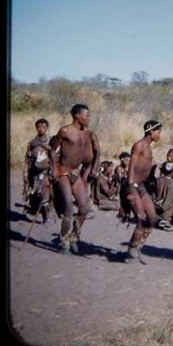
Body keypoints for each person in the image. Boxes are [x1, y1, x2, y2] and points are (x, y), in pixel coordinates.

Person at [49, 104, 100, 254]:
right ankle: (63, 240)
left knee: (84, 208)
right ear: (77, 116)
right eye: (86, 115)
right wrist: (53, 168)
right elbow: (52, 150)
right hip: (62, 171)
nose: (88, 118)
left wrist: (95, 168)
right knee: (69, 210)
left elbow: (98, 151)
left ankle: (73, 236)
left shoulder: (89, 134)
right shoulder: (65, 131)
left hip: (75, 173)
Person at [123, 120, 163, 263]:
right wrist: (130, 188)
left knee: (153, 218)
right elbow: (131, 168)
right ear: (151, 131)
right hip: (133, 185)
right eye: (158, 131)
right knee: (141, 219)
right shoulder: (139, 145)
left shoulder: (149, 147)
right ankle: (131, 250)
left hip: (141, 187)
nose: (159, 134)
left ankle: (139, 246)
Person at [23, 118, 52, 223]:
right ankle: (35, 210)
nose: (41, 129)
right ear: (36, 128)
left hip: (48, 172)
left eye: (44, 126)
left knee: (46, 194)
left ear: (47, 128)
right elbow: (27, 160)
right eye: (39, 126)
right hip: (35, 172)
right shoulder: (32, 143)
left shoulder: (51, 141)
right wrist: (25, 174)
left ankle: (46, 217)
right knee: (35, 194)